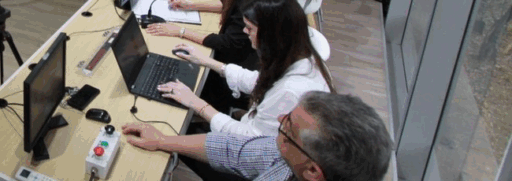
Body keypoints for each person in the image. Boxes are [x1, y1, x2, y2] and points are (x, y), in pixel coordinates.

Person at [158, 0, 334, 142]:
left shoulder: (289, 91)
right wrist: (206, 61)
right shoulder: (299, 56)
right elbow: (258, 80)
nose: (244, 32)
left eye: (250, 28)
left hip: (252, 155)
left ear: (270, 36)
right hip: (257, 130)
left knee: (176, 132)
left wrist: (196, 103)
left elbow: (249, 140)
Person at [122, 91, 393, 181]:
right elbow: (233, 150)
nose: (279, 119)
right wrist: (162, 140)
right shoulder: (291, 157)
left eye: (288, 126)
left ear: (313, 171)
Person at [146, 0, 275, 111]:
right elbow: (228, 2)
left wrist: (180, 31)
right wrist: (190, 6)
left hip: (232, 72)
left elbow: (228, 43)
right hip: (236, 59)